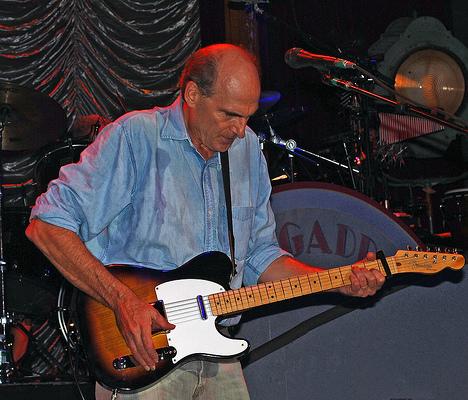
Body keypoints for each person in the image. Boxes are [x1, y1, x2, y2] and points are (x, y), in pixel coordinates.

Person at [26, 44, 385, 399]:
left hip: (216, 349)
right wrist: (123, 300)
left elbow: (262, 258)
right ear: (192, 94)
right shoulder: (136, 137)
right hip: (143, 354)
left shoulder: (247, 153)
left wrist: (337, 282)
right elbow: (46, 224)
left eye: (248, 116)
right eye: (229, 114)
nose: (240, 130)